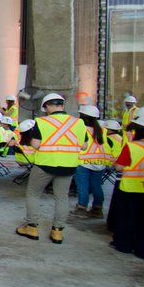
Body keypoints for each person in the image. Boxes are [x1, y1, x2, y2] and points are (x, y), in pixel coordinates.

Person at [16, 93, 88, 245]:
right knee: (62, 197)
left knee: (33, 194)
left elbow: (35, 144)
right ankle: (57, 231)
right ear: (62, 105)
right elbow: (84, 145)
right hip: (68, 165)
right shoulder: (79, 123)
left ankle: (32, 227)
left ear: (47, 106)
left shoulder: (41, 122)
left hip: (44, 164)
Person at [108, 112, 144, 259]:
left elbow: (119, 167)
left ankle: (124, 244)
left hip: (130, 188)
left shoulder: (132, 146)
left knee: (127, 218)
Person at [73, 105, 112, 219]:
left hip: (83, 161)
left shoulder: (80, 128)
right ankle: (97, 209)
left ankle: (81, 208)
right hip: (99, 162)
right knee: (96, 186)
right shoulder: (102, 130)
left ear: (82, 116)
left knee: (83, 186)